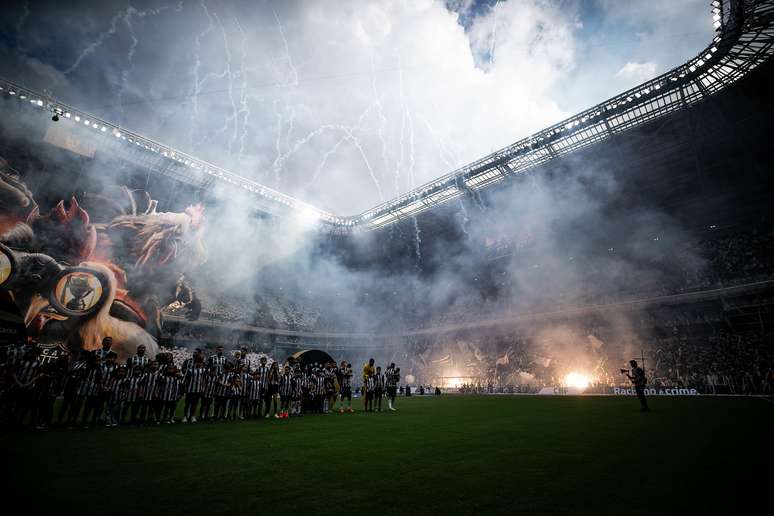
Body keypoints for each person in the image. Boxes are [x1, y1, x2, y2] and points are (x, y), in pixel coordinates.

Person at [182, 354, 206, 423]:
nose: (200, 363)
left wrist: (203, 387)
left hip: (198, 389)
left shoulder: (203, 370)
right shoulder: (189, 370)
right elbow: (185, 380)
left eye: (201, 362)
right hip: (190, 389)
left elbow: (203, 379)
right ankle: (185, 416)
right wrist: (185, 389)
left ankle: (192, 416)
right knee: (187, 404)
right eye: (198, 362)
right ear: (195, 362)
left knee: (195, 404)